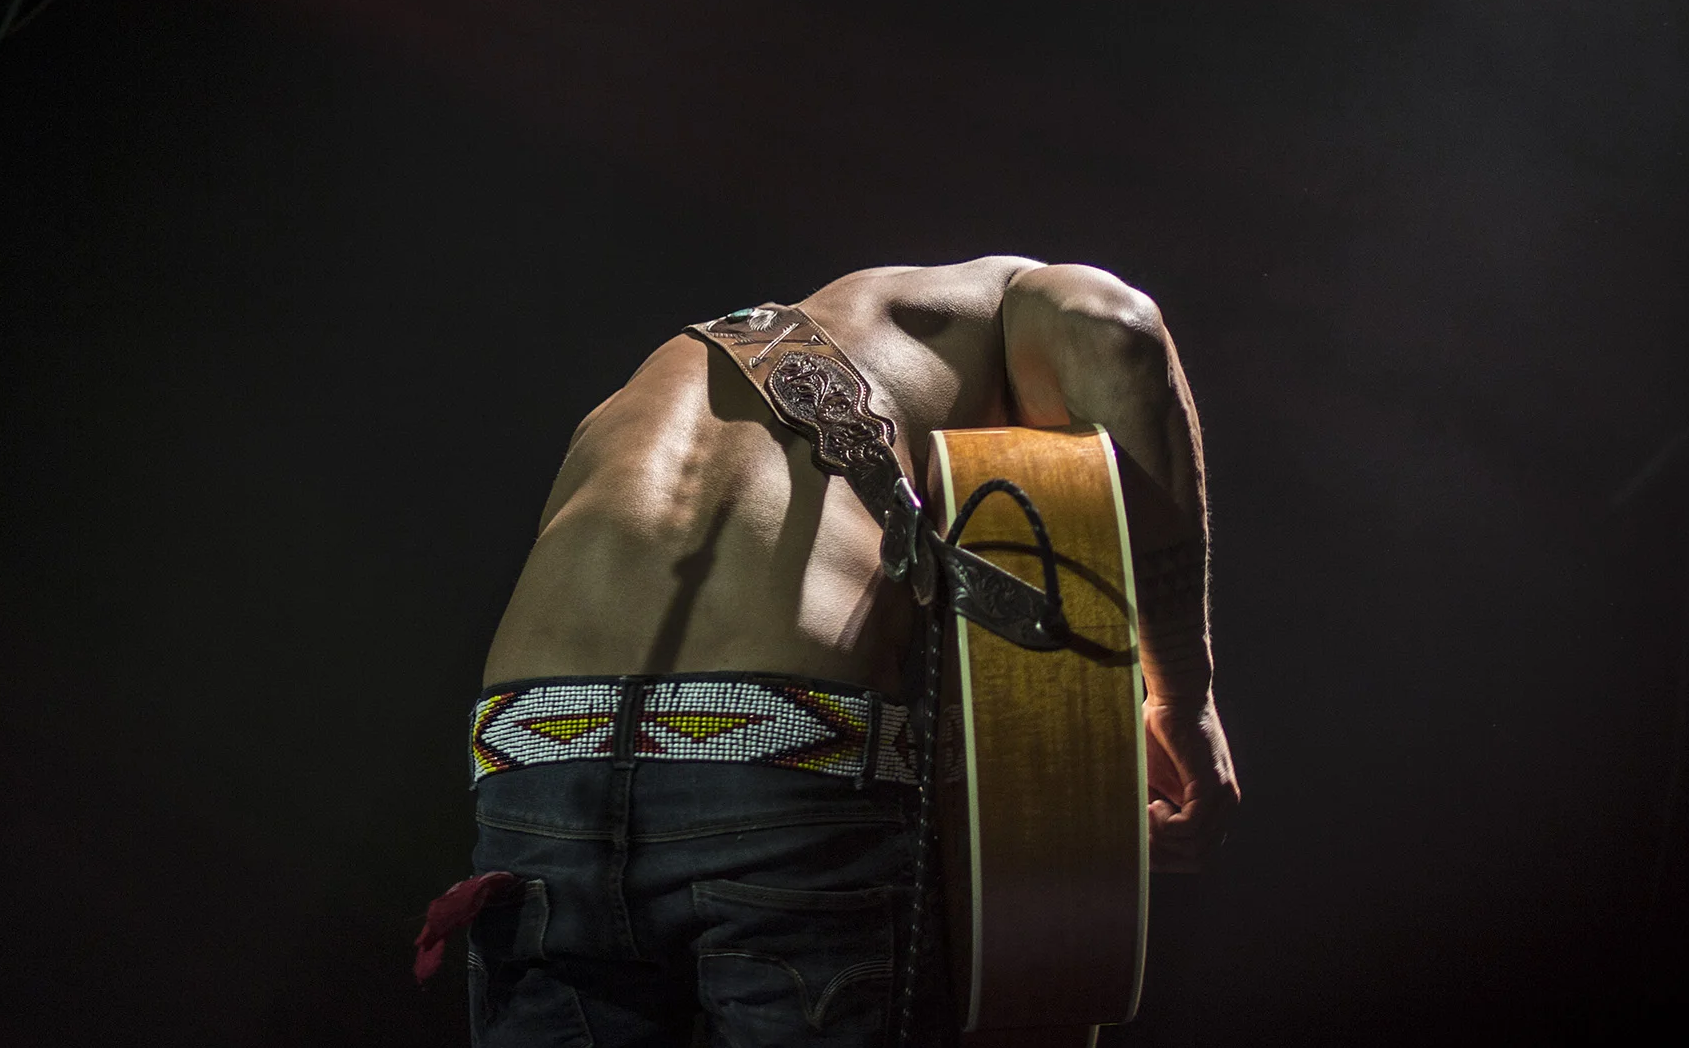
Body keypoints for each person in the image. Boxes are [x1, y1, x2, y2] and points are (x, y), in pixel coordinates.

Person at [447, 256, 1238, 1047]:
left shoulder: (646, 384)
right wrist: (1181, 695)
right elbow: (1118, 330)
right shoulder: (994, 296)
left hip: (533, 758)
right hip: (774, 755)